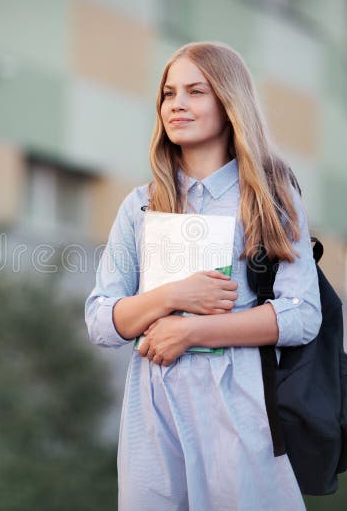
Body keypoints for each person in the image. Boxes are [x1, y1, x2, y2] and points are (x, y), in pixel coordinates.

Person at [84, 41, 321, 510]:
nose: (177, 104)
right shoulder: (142, 205)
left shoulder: (270, 197)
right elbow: (101, 320)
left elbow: (302, 315)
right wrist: (175, 293)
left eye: (195, 91)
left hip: (240, 409)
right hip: (154, 413)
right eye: (169, 93)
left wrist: (191, 330)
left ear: (228, 102)